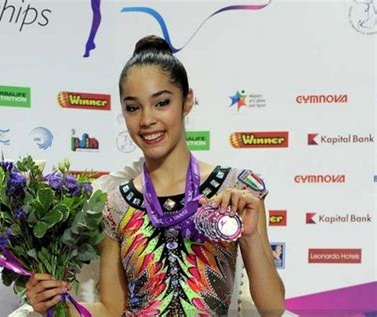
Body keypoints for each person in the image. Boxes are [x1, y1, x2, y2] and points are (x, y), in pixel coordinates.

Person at [26, 35, 285, 316]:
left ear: (187, 101)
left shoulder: (237, 189)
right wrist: (55, 305)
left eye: (161, 103)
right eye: (133, 107)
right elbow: (111, 309)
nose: (147, 119)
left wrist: (248, 238)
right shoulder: (115, 204)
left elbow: (273, 309)